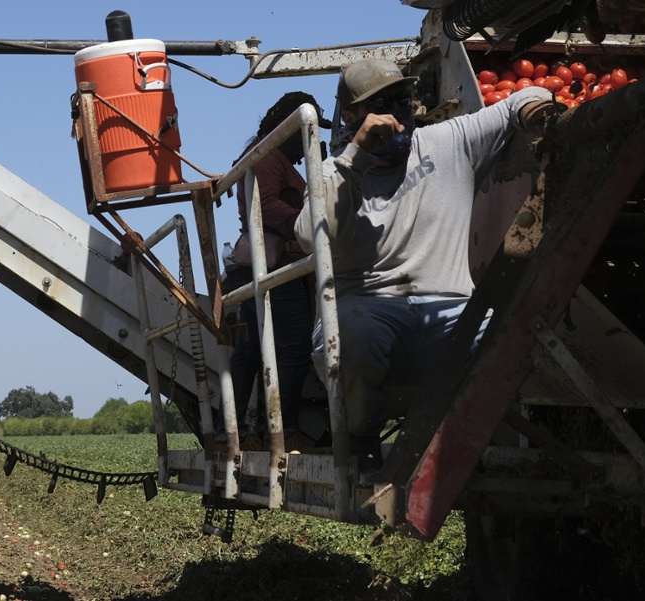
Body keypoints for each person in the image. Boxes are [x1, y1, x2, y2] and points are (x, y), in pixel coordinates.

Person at [296, 59, 556, 465]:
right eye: (381, 104)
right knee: (350, 335)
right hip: (369, 313)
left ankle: (461, 442)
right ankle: (361, 436)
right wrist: (356, 158)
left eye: (402, 99)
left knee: (511, 332)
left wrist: (533, 107)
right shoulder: (333, 172)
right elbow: (310, 236)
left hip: (449, 314)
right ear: (351, 116)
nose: (396, 112)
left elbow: (518, 101)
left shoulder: (449, 140)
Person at [224, 91, 330, 448]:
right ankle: (282, 429)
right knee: (297, 343)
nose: (309, 143)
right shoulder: (269, 155)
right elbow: (265, 205)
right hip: (273, 265)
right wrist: (309, 225)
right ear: (288, 128)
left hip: (261, 264)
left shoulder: (269, 155)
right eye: (306, 133)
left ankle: (237, 430)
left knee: (253, 349)